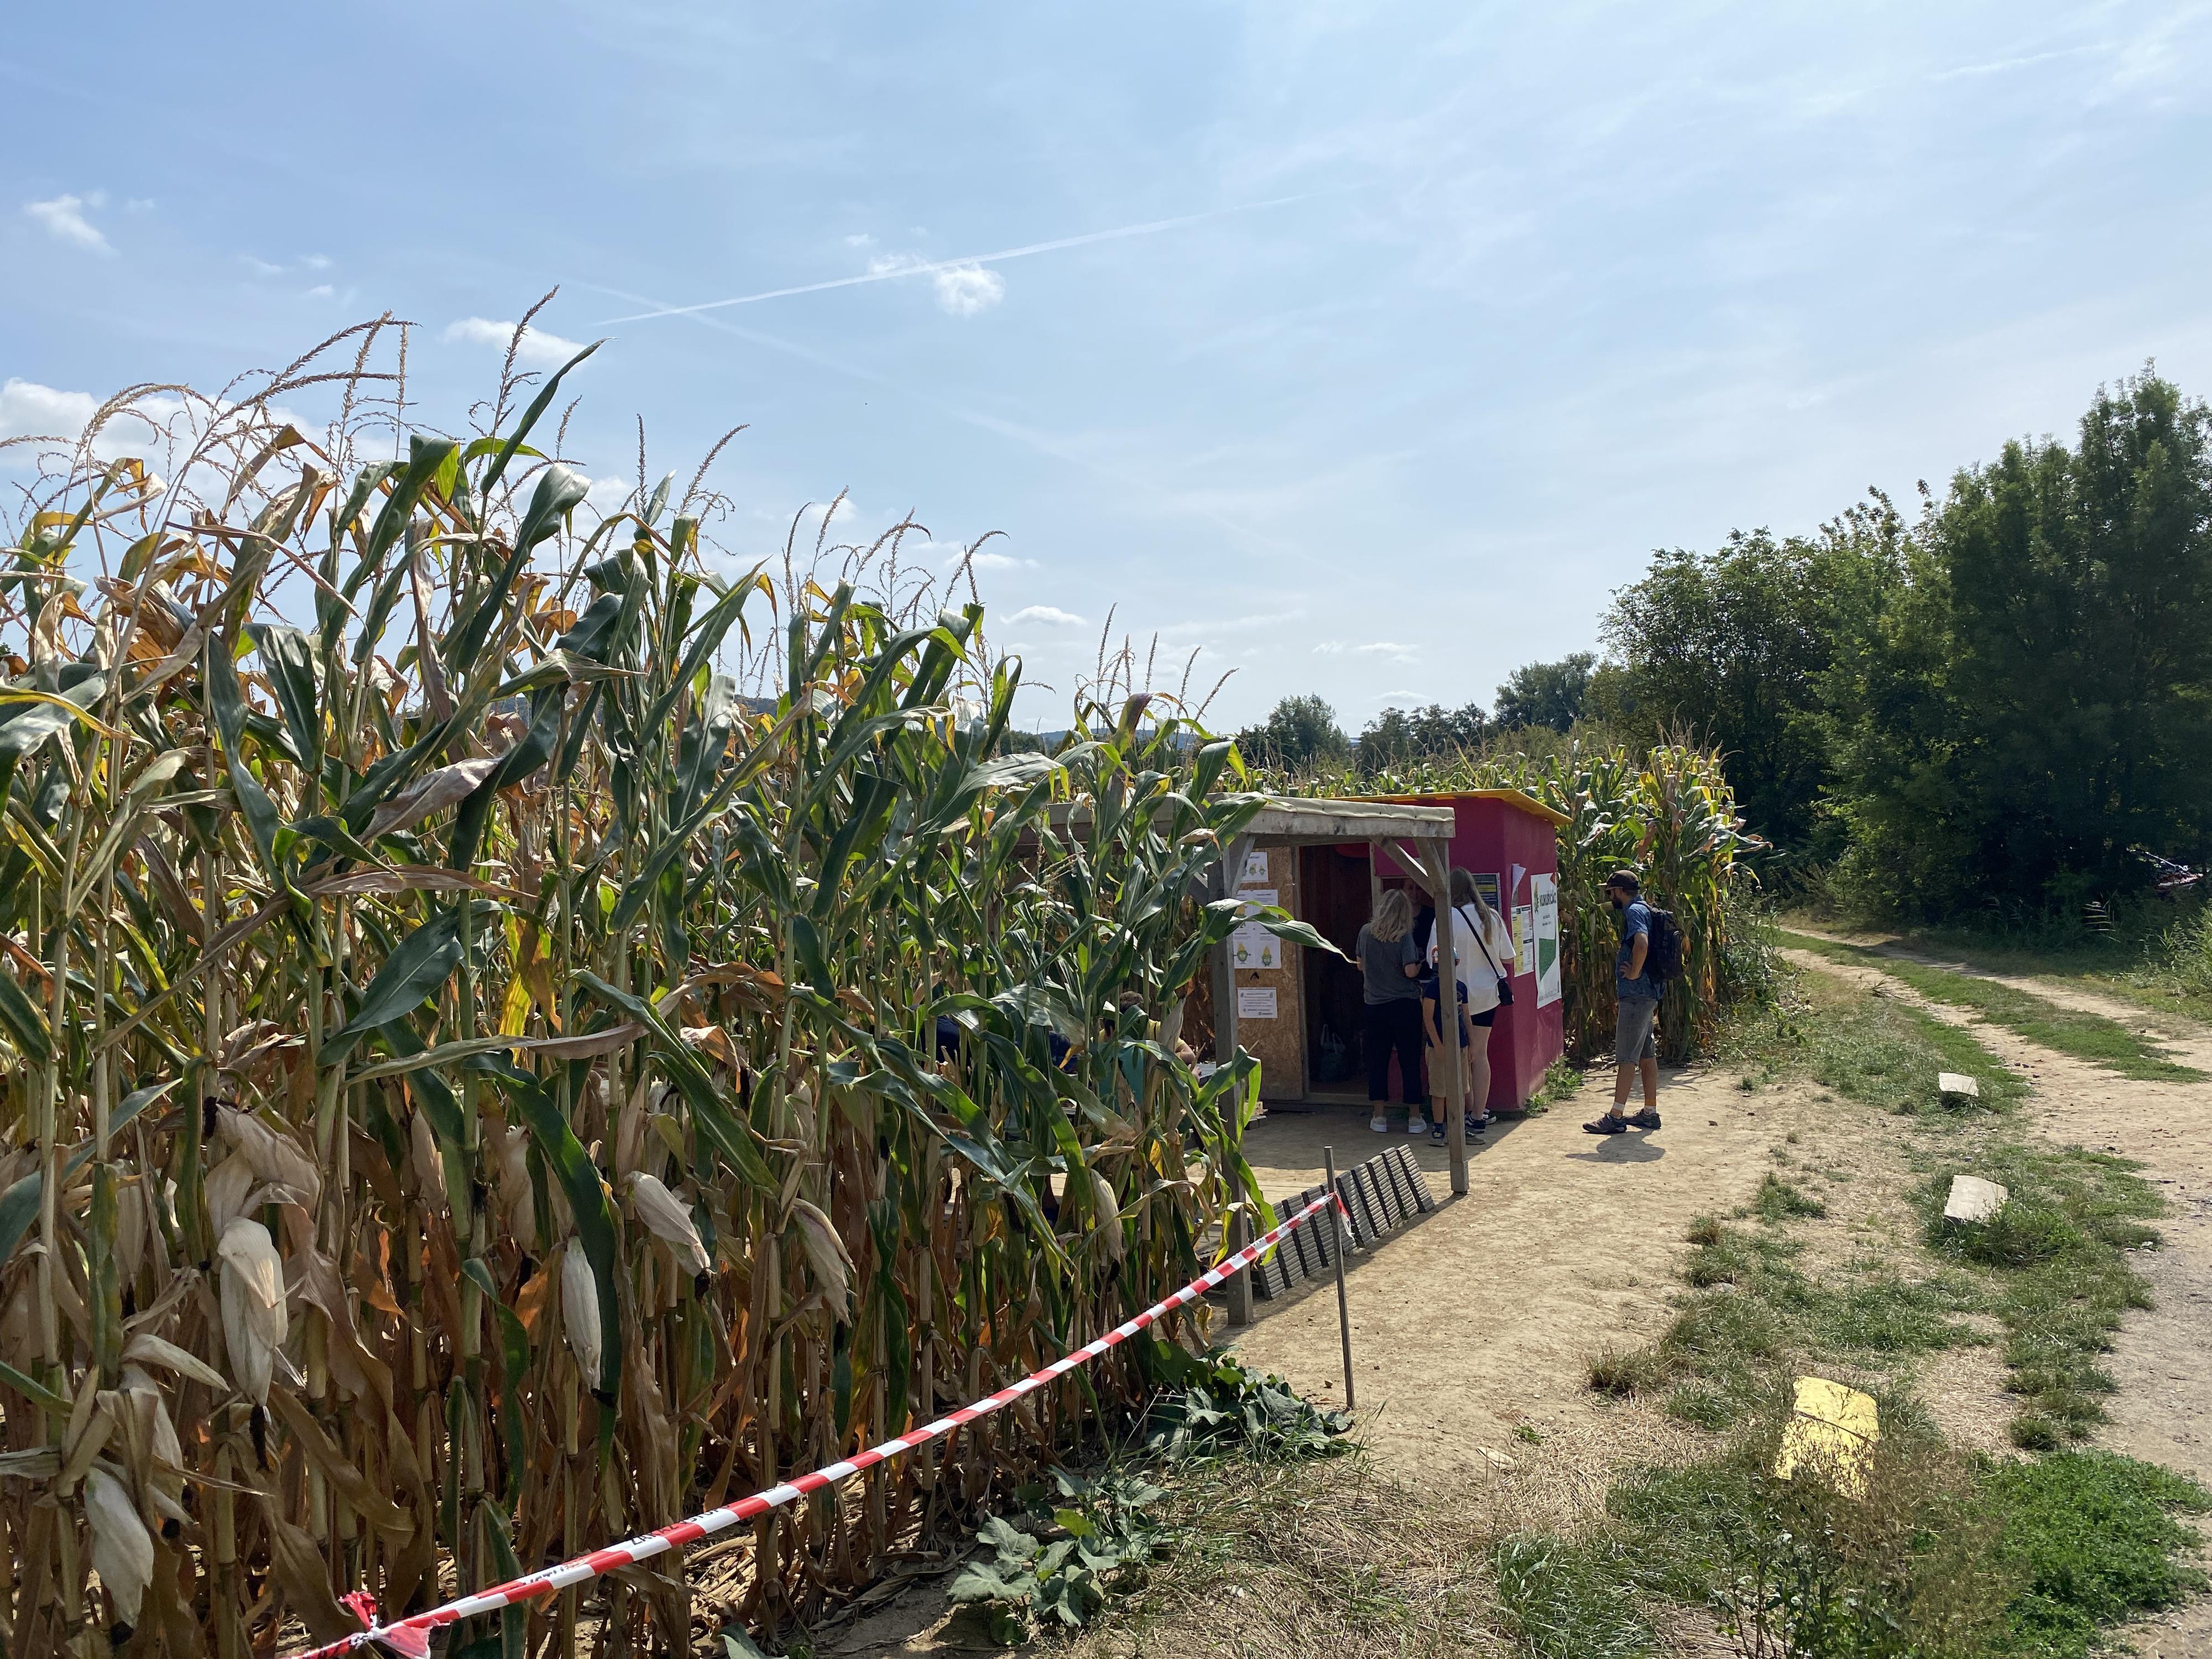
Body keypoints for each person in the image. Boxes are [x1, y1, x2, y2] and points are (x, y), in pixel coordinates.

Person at [1425, 868, 1516, 1143]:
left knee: (1457, 1056)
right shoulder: (1491, 916)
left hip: (1454, 996)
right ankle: (1477, 1115)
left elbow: (1434, 960)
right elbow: (1508, 958)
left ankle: (1458, 1114)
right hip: (1487, 994)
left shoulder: (1445, 917)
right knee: (1480, 1054)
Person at [1587, 870, 1662, 1134]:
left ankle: (1616, 1116)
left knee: (1627, 1056)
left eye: (1610, 892)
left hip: (1637, 994)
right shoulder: (1646, 908)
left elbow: (1641, 942)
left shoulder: (1633, 912)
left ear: (1619, 891)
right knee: (1645, 1054)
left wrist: (1634, 972)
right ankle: (1649, 1112)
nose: (1609, 897)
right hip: (1649, 992)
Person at [1355, 888, 1427, 1134]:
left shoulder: (1365, 932)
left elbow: (1360, 965)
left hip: (1374, 1005)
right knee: (1410, 1061)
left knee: (1377, 1062)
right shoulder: (1405, 936)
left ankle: (1379, 1116)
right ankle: (1415, 1118)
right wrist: (1420, 964)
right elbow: (1409, 972)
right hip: (1405, 1006)